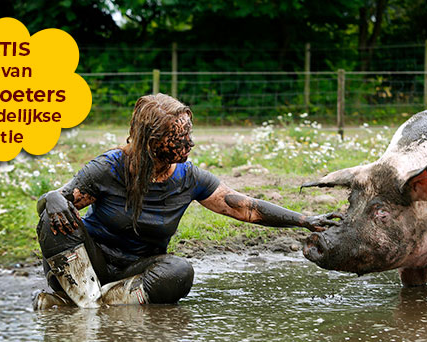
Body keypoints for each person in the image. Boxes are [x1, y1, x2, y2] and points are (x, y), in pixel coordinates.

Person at [36, 94, 335, 306]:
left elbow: (245, 207)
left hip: (138, 270)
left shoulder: (188, 178)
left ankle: (90, 303)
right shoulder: (109, 168)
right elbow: (56, 205)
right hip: (90, 261)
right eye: (178, 138)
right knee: (52, 217)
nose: (188, 143)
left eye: (188, 135)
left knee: (180, 271)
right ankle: (86, 302)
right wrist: (51, 198)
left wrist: (304, 220)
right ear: (151, 142)